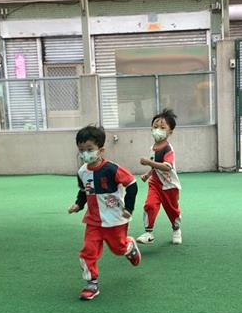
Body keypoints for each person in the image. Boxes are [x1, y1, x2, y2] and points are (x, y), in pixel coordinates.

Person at [68, 125, 142, 300]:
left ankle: (129, 246)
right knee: (88, 251)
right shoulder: (82, 172)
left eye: (89, 149)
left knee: (118, 249)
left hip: (115, 220)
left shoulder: (112, 169)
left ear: (100, 150)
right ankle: (91, 283)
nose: (85, 154)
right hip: (93, 221)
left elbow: (132, 185)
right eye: (81, 150)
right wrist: (78, 204)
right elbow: (84, 190)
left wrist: (128, 208)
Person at [136, 109, 182, 246]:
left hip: (169, 186)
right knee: (150, 205)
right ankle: (148, 233)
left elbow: (167, 167)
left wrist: (149, 163)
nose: (158, 130)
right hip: (155, 183)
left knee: (172, 210)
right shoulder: (152, 148)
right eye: (155, 127)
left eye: (162, 128)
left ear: (170, 132)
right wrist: (148, 174)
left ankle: (176, 229)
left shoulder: (168, 149)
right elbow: (155, 166)